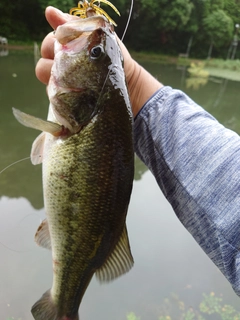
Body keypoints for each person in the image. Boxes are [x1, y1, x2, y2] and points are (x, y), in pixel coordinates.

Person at [36, 6, 240, 297]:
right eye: (98, 54)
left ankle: (62, 303)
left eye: (95, 54)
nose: (96, 43)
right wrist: (133, 81)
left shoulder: (77, 116)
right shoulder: (86, 110)